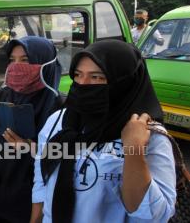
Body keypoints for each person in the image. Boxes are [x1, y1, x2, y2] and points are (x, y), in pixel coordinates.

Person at [31, 40, 176, 223]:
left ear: (124, 82)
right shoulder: (59, 121)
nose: (82, 84)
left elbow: (156, 215)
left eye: (97, 77)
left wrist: (134, 151)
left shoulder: (149, 136)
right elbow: (42, 180)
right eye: (77, 74)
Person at [0, 36, 62, 223]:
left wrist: (30, 148)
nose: (16, 66)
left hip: (37, 203)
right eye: (12, 60)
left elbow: (69, 157)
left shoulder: (60, 107)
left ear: (46, 63)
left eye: (25, 60)